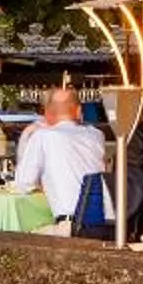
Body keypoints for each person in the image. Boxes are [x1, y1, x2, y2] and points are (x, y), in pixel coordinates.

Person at [11, 87, 106, 234]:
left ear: (46, 113)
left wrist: (28, 131)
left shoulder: (42, 136)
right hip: (108, 222)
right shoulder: (96, 135)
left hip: (73, 227)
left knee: (20, 237)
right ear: (79, 111)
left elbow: (24, 183)